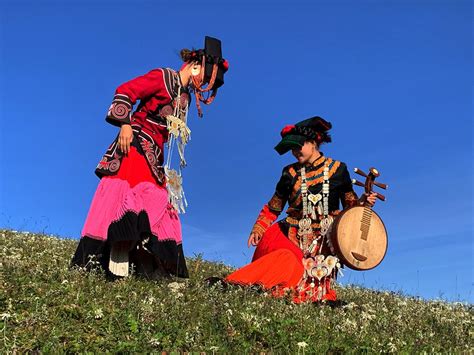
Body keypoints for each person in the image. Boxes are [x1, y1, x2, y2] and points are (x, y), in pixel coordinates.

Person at [71, 36, 229, 279]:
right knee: (128, 194)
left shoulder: (183, 97)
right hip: (133, 144)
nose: (203, 85)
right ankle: (115, 251)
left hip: (155, 155)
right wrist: (124, 125)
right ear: (195, 65)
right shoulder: (163, 77)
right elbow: (125, 90)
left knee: (159, 202)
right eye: (204, 79)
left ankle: (145, 261)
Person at [223, 116, 377, 303]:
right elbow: (274, 205)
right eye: (292, 149)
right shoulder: (289, 173)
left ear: (313, 142)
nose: (295, 152)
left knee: (316, 288)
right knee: (287, 265)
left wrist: (364, 202)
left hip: (326, 238)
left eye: (298, 146)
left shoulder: (338, 170)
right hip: (293, 234)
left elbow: (350, 207)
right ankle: (239, 284)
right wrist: (259, 228)